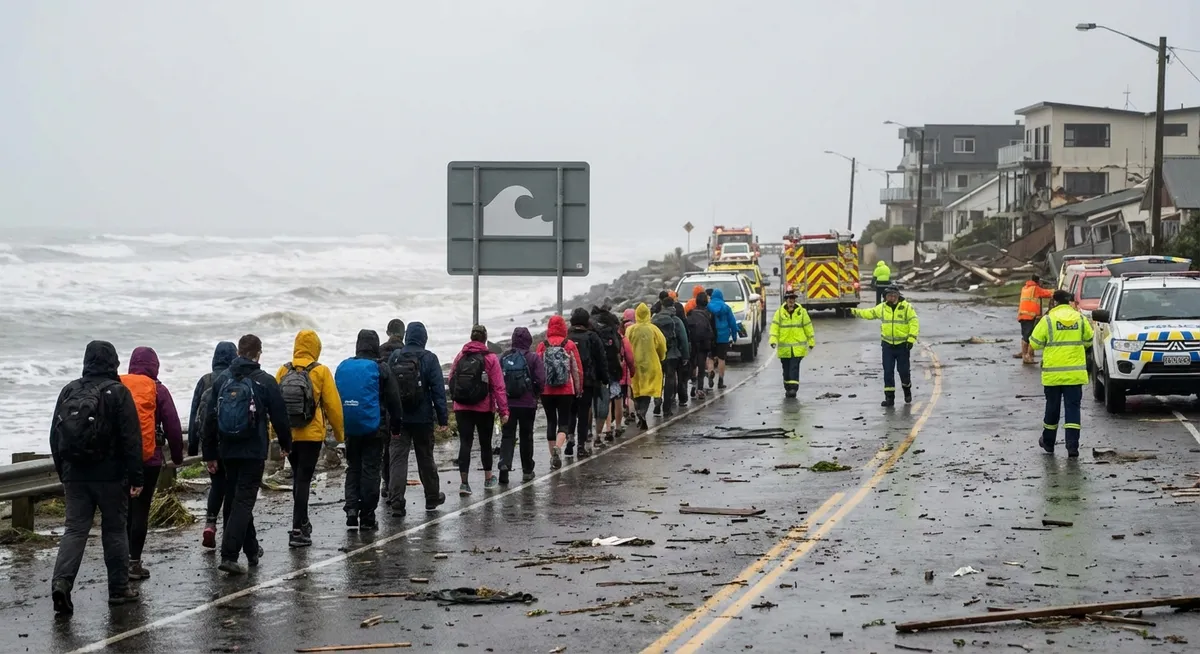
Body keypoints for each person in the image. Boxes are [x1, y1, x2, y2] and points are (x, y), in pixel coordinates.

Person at [50, 341, 145, 613]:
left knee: (75, 529)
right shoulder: (118, 392)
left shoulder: (69, 390)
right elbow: (131, 439)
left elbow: (54, 436)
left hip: (75, 475)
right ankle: (118, 589)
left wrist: (64, 472)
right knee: (114, 529)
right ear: (113, 362)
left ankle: (61, 583)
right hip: (111, 477)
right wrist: (137, 477)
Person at [203, 334, 292, 575]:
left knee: (236, 498)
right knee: (243, 501)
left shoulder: (222, 380)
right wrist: (286, 444)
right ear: (258, 353)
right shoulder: (264, 381)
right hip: (253, 450)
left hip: (228, 449)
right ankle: (229, 555)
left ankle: (252, 550)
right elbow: (280, 416)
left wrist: (209, 453)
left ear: (238, 352)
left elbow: (210, 418)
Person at [119, 346, 184, 581]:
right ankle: (133, 563)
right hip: (149, 459)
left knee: (121, 511)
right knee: (140, 511)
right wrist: (177, 457)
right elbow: (174, 428)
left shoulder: (117, 385)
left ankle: (119, 562)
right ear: (154, 365)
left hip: (118, 460)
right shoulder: (158, 389)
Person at [274, 330, 344, 548]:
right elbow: (333, 406)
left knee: (298, 477)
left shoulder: (283, 370)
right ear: (316, 348)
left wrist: (272, 433)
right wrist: (340, 435)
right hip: (311, 435)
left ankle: (302, 521)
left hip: (289, 434)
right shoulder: (320, 371)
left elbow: (274, 406)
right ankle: (297, 530)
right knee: (303, 478)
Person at [336, 329, 404, 531]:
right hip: (375, 428)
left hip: (350, 427)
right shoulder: (381, 368)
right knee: (370, 470)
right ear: (375, 345)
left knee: (353, 467)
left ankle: (351, 509)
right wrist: (396, 426)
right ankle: (367, 515)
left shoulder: (344, 366)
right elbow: (394, 400)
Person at [386, 322, 448, 515]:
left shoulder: (395, 357)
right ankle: (431, 497)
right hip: (423, 419)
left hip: (399, 419)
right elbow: (438, 391)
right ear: (424, 338)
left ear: (406, 337)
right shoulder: (429, 358)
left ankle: (396, 501)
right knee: (426, 458)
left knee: (397, 459)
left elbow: (388, 388)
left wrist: (389, 415)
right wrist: (443, 419)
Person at [1029, 290, 1093, 457]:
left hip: (1053, 376)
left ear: (1055, 302)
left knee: (1052, 409)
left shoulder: (1048, 319)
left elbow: (1035, 343)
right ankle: (1072, 447)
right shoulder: (1080, 318)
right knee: (1072, 410)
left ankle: (1048, 443)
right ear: (1069, 301)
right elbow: (1089, 340)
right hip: (1074, 375)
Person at [448, 325, 509, 494]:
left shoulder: (461, 355)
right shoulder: (490, 358)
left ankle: (464, 484)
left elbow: (452, 378)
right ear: (485, 339)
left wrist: (455, 400)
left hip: (461, 407)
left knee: (465, 443)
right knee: (485, 444)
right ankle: (488, 479)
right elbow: (499, 387)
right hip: (483, 407)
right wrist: (503, 411)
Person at [189, 341, 237, 549]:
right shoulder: (236, 378)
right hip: (232, 441)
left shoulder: (205, 380)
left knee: (217, 484)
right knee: (232, 487)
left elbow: (194, 414)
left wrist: (193, 446)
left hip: (210, 443)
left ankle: (210, 524)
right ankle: (229, 531)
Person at [851, 285, 920, 407]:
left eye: (894, 295)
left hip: (903, 346)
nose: (892, 298)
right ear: (885, 297)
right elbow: (869, 313)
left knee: (903, 371)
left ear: (898, 296)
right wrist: (852, 311)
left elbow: (914, 322)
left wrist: (911, 339)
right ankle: (889, 398)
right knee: (888, 372)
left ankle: (907, 390)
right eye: (889, 295)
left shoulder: (906, 307)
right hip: (887, 346)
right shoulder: (882, 308)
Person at [499, 327, 545, 483]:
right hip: (527, 403)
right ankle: (527, 470)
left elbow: (498, 381)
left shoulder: (504, 357)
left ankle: (504, 465)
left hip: (508, 403)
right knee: (526, 436)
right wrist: (536, 394)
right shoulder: (533, 358)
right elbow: (540, 380)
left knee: (508, 435)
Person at [537, 315, 584, 470]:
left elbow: (537, 370)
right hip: (565, 390)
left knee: (551, 421)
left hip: (547, 391)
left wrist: (537, 390)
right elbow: (577, 370)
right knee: (564, 422)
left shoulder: (542, 345)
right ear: (564, 327)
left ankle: (553, 457)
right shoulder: (568, 344)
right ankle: (558, 446)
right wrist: (578, 389)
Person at [566, 308, 609, 455]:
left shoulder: (567, 337)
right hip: (588, 381)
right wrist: (605, 378)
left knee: (571, 411)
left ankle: (569, 438)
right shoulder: (592, 337)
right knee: (584, 413)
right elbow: (601, 359)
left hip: (569, 382)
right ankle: (581, 446)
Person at [626, 303, 667, 429]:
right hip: (651, 364)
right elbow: (662, 346)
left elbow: (626, 347)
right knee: (647, 391)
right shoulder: (654, 329)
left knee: (636, 390)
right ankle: (643, 412)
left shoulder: (630, 330)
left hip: (635, 365)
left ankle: (638, 409)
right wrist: (661, 357)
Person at [378, 318, 406, 498]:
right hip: (402, 406)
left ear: (388, 333)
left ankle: (386, 483)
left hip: (380, 406)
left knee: (384, 449)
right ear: (403, 334)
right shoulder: (405, 352)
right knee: (398, 450)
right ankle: (395, 487)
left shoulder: (378, 351)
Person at [769, 291, 816, 398]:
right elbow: (774, 327)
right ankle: (788, 387)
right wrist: (773, 340)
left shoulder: (801, 312)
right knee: (786, 369)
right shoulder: (779, 313)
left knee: (794, 367)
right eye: (789, 298)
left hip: (797, 348)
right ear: (786, 300)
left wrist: (811, 341)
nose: (791, 301)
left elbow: (808, 326)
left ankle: (793, 389)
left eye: (793, 298)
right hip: (784, 349)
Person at [591, 305, 625, 443]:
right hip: (614, 368)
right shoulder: (612, 329)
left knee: (604, 400)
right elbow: (618, 349)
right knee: (616, 397)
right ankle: (617, 427)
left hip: (599, 370)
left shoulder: (594, 330)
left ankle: (607, 428)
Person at [651, 297, 690, 418]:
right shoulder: (676, 320)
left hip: (657, 354)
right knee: (670, 379)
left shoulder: (654, 319)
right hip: (672, 354)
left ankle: (657, 402)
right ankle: (667, 408)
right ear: (673, 306)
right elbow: (683, 339)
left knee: (658, 379)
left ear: (662, 306)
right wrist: (685, 356)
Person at [1016, 275, 1054, 364]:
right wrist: (1057, 291)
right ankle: (1026, 356)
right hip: (1030, 316)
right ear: (1037, 281)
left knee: (1025, 334)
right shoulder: (1035, 289)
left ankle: (1026, 353)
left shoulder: (1025, 288)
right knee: (1028, 336)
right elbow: (1047, 293)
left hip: (1022, 315)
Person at [707, 288, 740, 390]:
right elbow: (732, 323)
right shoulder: (726, 308)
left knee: (710, 357)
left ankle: (710, 372)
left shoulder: (708, 307)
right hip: (723, 337)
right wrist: (734, 336)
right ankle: (720, 381)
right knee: (722, 359)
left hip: (711, 336)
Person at [686, 292, 717, 400]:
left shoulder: (691, 313)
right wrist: (713, 345)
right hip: (704, 343)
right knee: (701, 365)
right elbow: (713, 330)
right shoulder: (709, 314)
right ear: (706, 301)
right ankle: (700, 388)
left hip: (693, 342)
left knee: (692, 365)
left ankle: (692, 384)